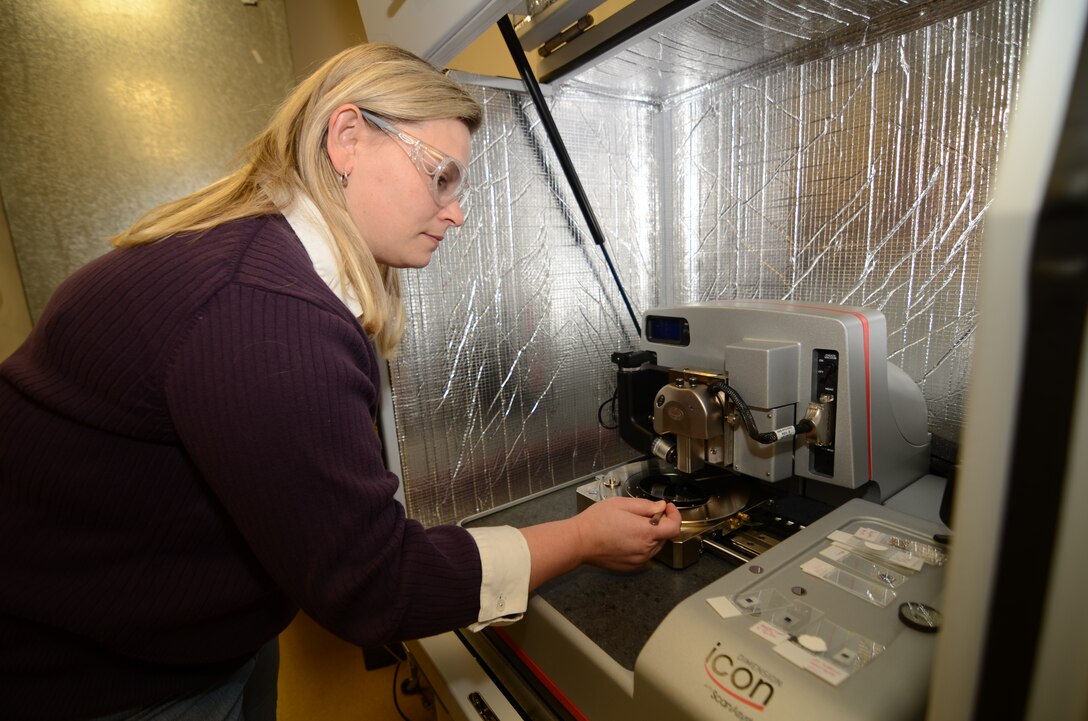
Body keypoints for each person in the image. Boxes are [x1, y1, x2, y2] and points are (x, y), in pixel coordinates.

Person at [0, 42, 680, 721]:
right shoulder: (265, 309)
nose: (457, 213)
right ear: (348, 137)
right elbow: (375, 584)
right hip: (103, 679)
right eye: (441, 177)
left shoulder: (258, 259)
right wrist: (583, 538)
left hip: (186, 633)